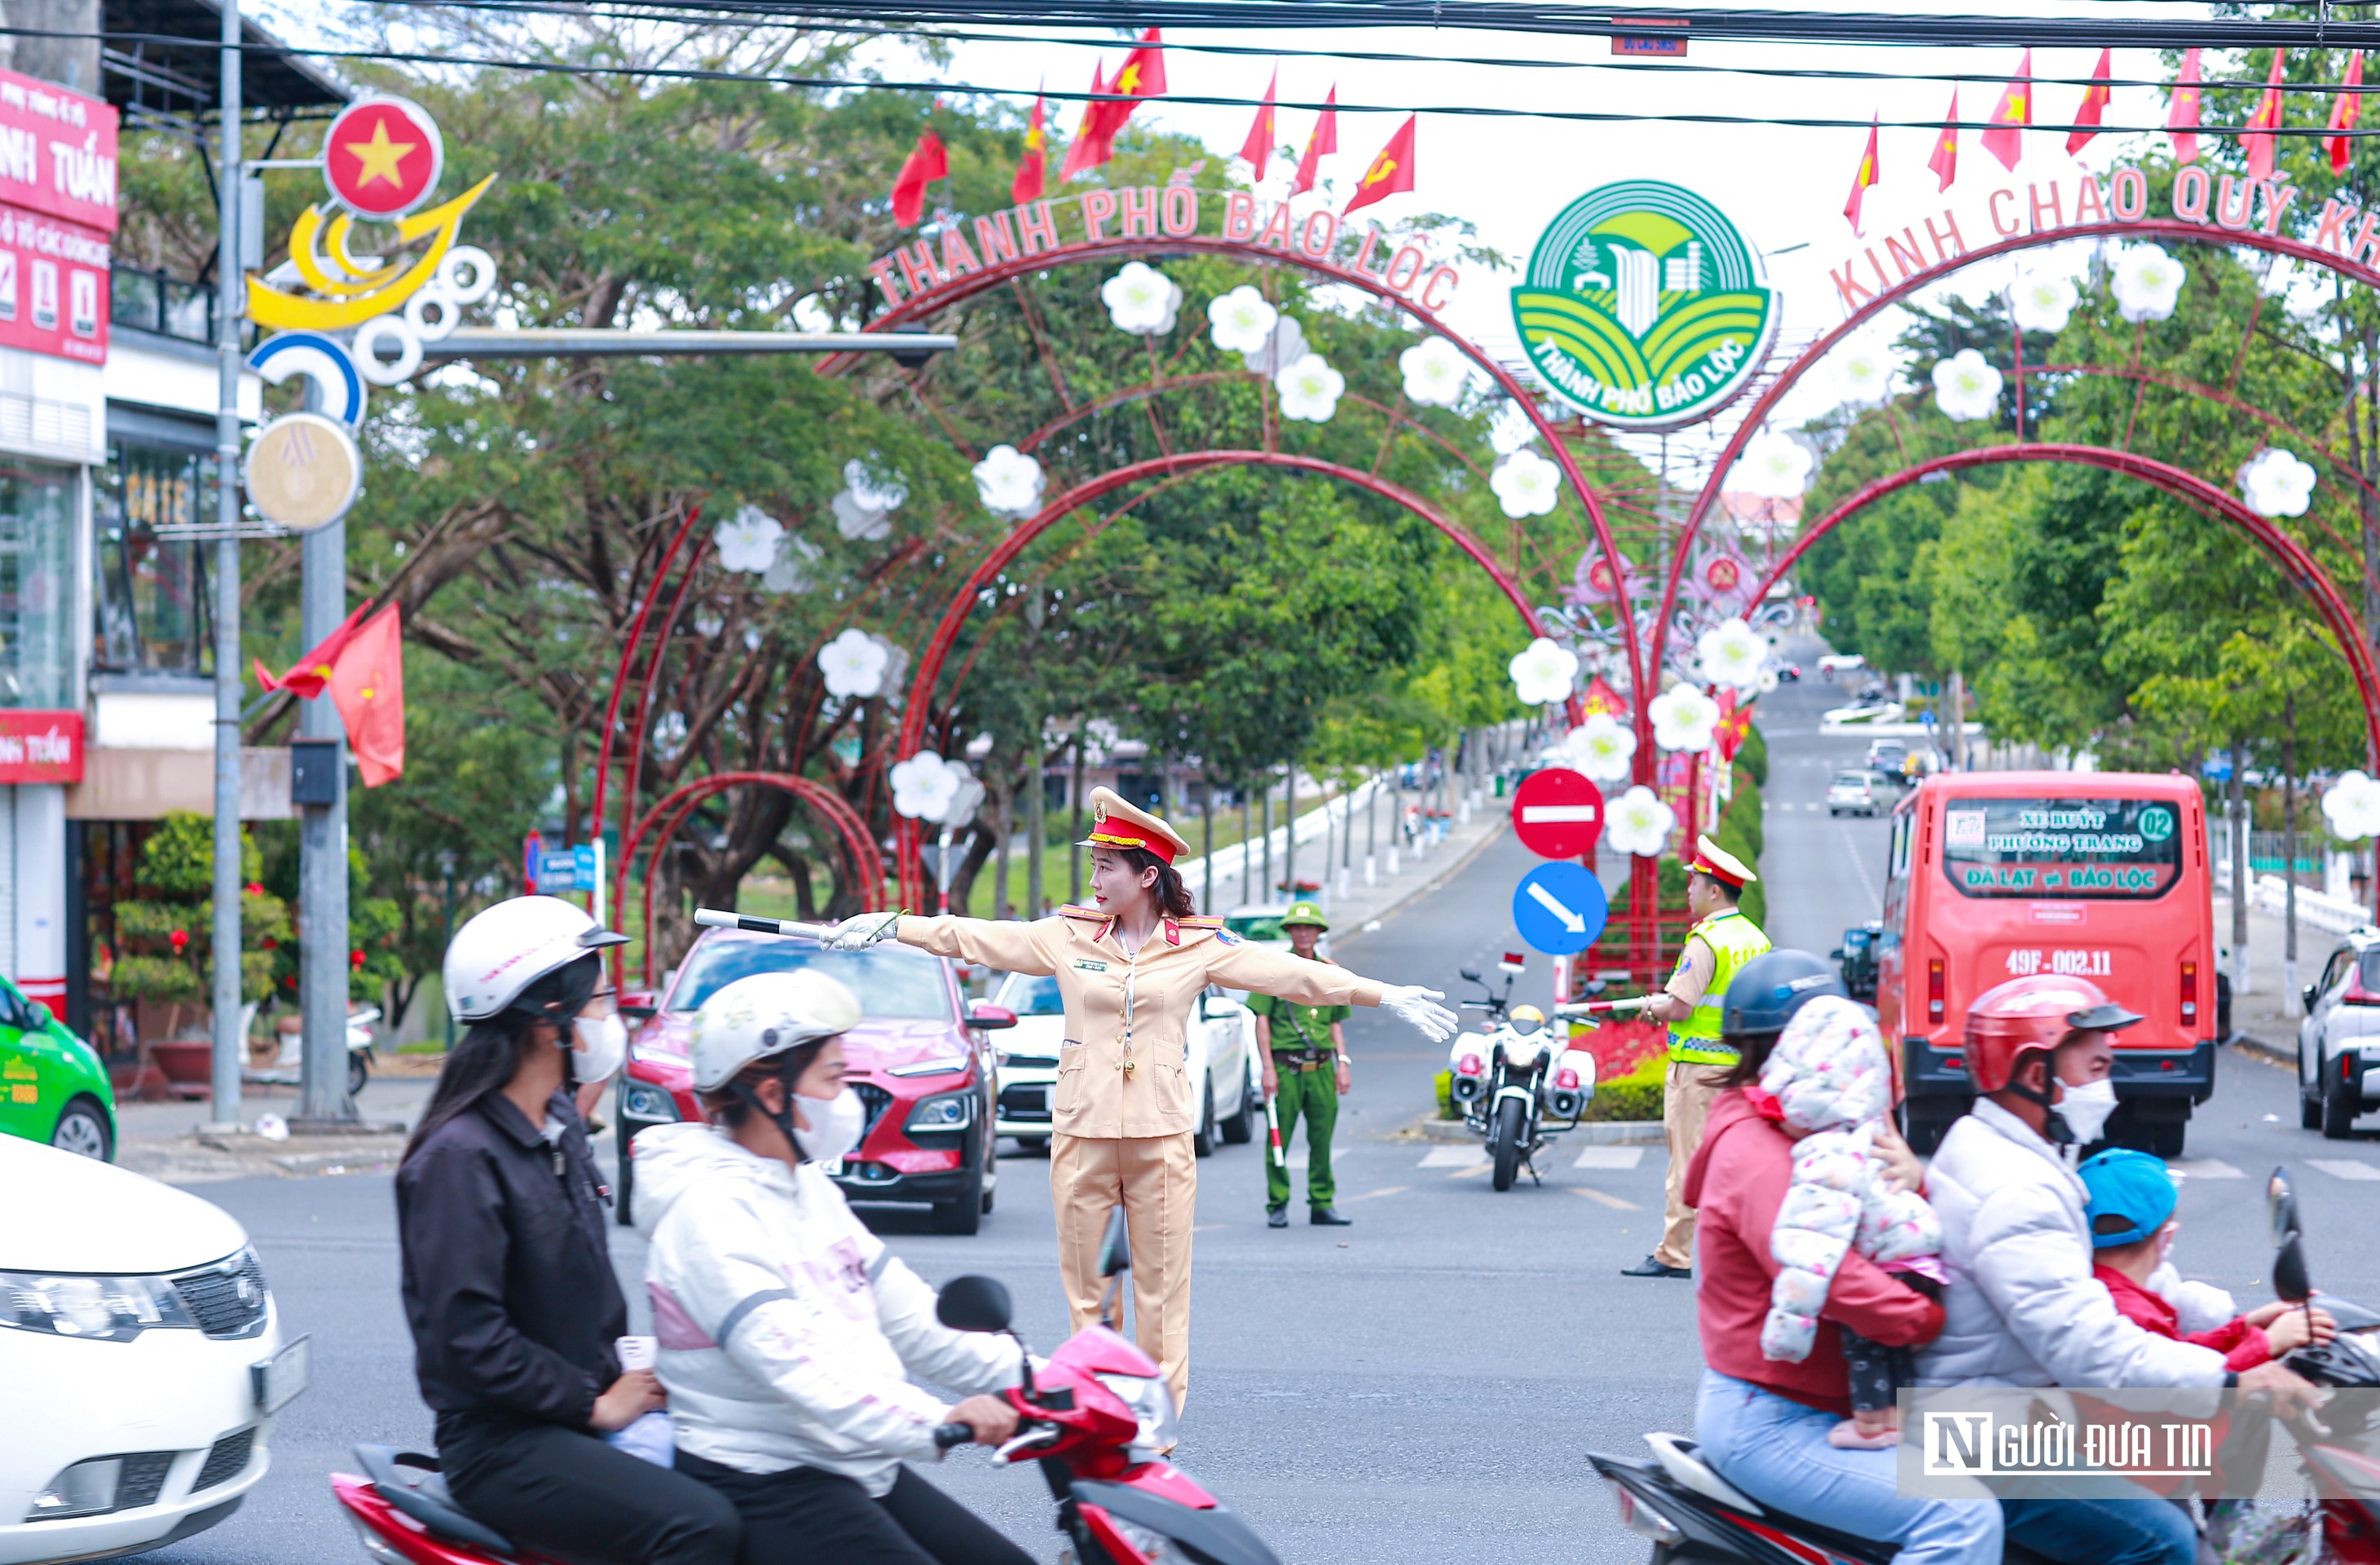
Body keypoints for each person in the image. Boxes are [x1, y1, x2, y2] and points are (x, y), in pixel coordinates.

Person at [821, 786, 1457, 1404]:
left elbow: (1290, 974)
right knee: (1088, 1294)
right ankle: (1096, 1414)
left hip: (1160, 1138)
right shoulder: (1064, 935)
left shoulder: (1199, 947)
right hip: (1081, 1134)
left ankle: (1155, 1431)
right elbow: (975, 936)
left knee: (1161, 1293)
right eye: (1093, 864)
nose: (1094, 879)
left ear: (1146, 875)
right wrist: (894, 927)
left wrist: (1381, 993)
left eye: (1106, 866)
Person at [1918, 976, 2322, 1565]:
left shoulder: (1998, 1145)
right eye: (2097, 1067)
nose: (2107, 1087)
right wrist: (2230, 1380)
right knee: (2165, 1539)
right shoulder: (2015, 1191)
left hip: (2014, 1405)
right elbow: (2091, 1349)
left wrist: (2229, 1318)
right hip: (1983, 1431)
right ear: (2036, 1077)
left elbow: (2101, 1286)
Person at [636, 969, 1034, 1565]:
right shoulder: (708, 1216)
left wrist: (1048, 1380)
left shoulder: (807, 1191)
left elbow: (915, 1321)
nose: (848, 1101)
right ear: (772, 1095)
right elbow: (804, 1369)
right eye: (834, 1078)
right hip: (764, 1476)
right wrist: (943, 1417)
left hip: (846, 1460)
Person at [397, 897, 742, 1565]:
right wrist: (595, 1405)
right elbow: (470, 1342)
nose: (613, 1017)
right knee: (703, 1526)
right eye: (600, 999)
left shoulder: (555, 1126)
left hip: (583, 1402)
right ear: (547, 1017)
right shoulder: (459, 1159)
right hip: (505, 1443)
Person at [1684, 950, 2001, 1565]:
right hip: (1772, 1418)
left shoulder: (1815, 1130)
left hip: (1833, 1400)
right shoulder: (1755, 1148)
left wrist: (1921, 1182)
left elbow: (1890, 1218)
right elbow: (1830, 1276)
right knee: (1961, 1516)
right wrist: (1927, 1318)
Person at [1625, 834, 1771, 1280]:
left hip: (1698, 1072)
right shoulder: (1756, 939)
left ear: (1714, 890)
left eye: (1694, 883)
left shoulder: (1705, 941)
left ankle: (1674, 1254)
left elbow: (1681, 1006)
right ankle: (1752, 1252)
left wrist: (1652, 1006)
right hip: (1741, 1071)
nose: (1687, 890)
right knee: (1740, 1163)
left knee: (1688, 1163)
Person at [1250, 900, 1354, 1229]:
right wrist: (1267, 1068)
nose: (1304, 932)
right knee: (1279, 1137)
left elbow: (1336, 1021)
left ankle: (1322, 1203)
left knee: (1322, 1140)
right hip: (1286, 1067)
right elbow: (1262, 1020)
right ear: (1290, 931)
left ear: (1320, 932)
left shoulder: (1330, 971)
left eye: (1310, 927)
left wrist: (1343, 1062)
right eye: (1298, 927)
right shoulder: (1276, 970)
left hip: (1322, 1066)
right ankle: (1277, 1203)